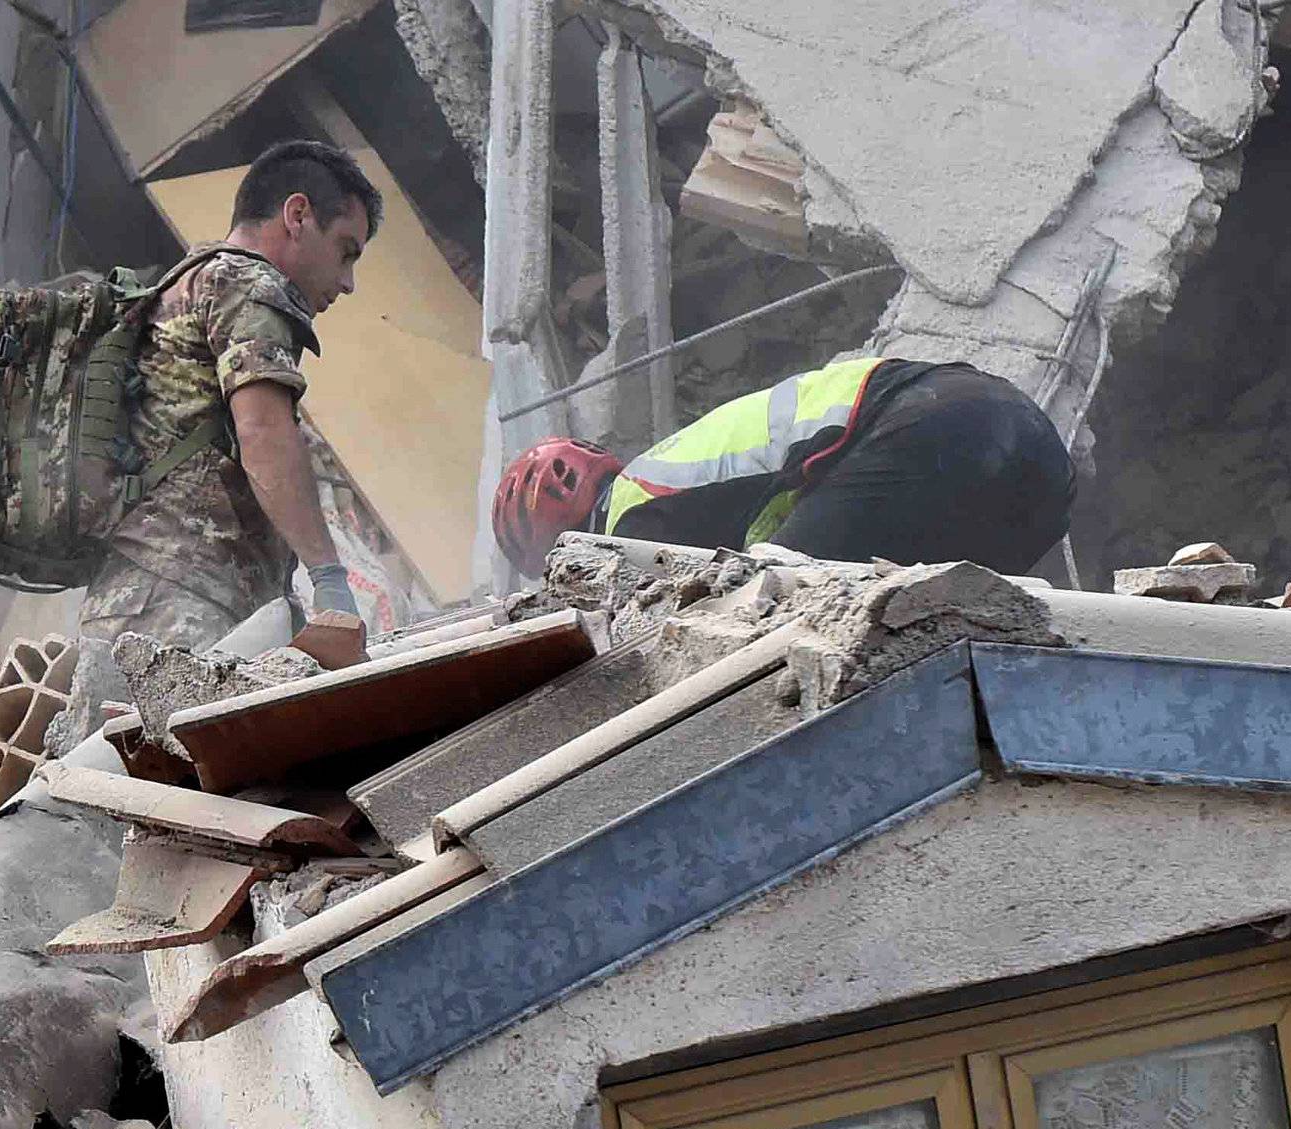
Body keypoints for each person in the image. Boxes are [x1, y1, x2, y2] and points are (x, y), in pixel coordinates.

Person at [73, 137, 383, 719]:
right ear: (297, 216)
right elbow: (263, 434)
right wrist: (328, 577)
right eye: (346, 251)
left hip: (133, 602)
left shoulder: (186, 283)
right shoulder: (246, 284)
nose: (347, 283)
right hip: (184, 604)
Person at [491, 355, 1075, 579]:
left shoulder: (630, 524)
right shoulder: (673, 473)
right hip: (1024, 442)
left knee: (776, 602)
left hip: (923, 430)